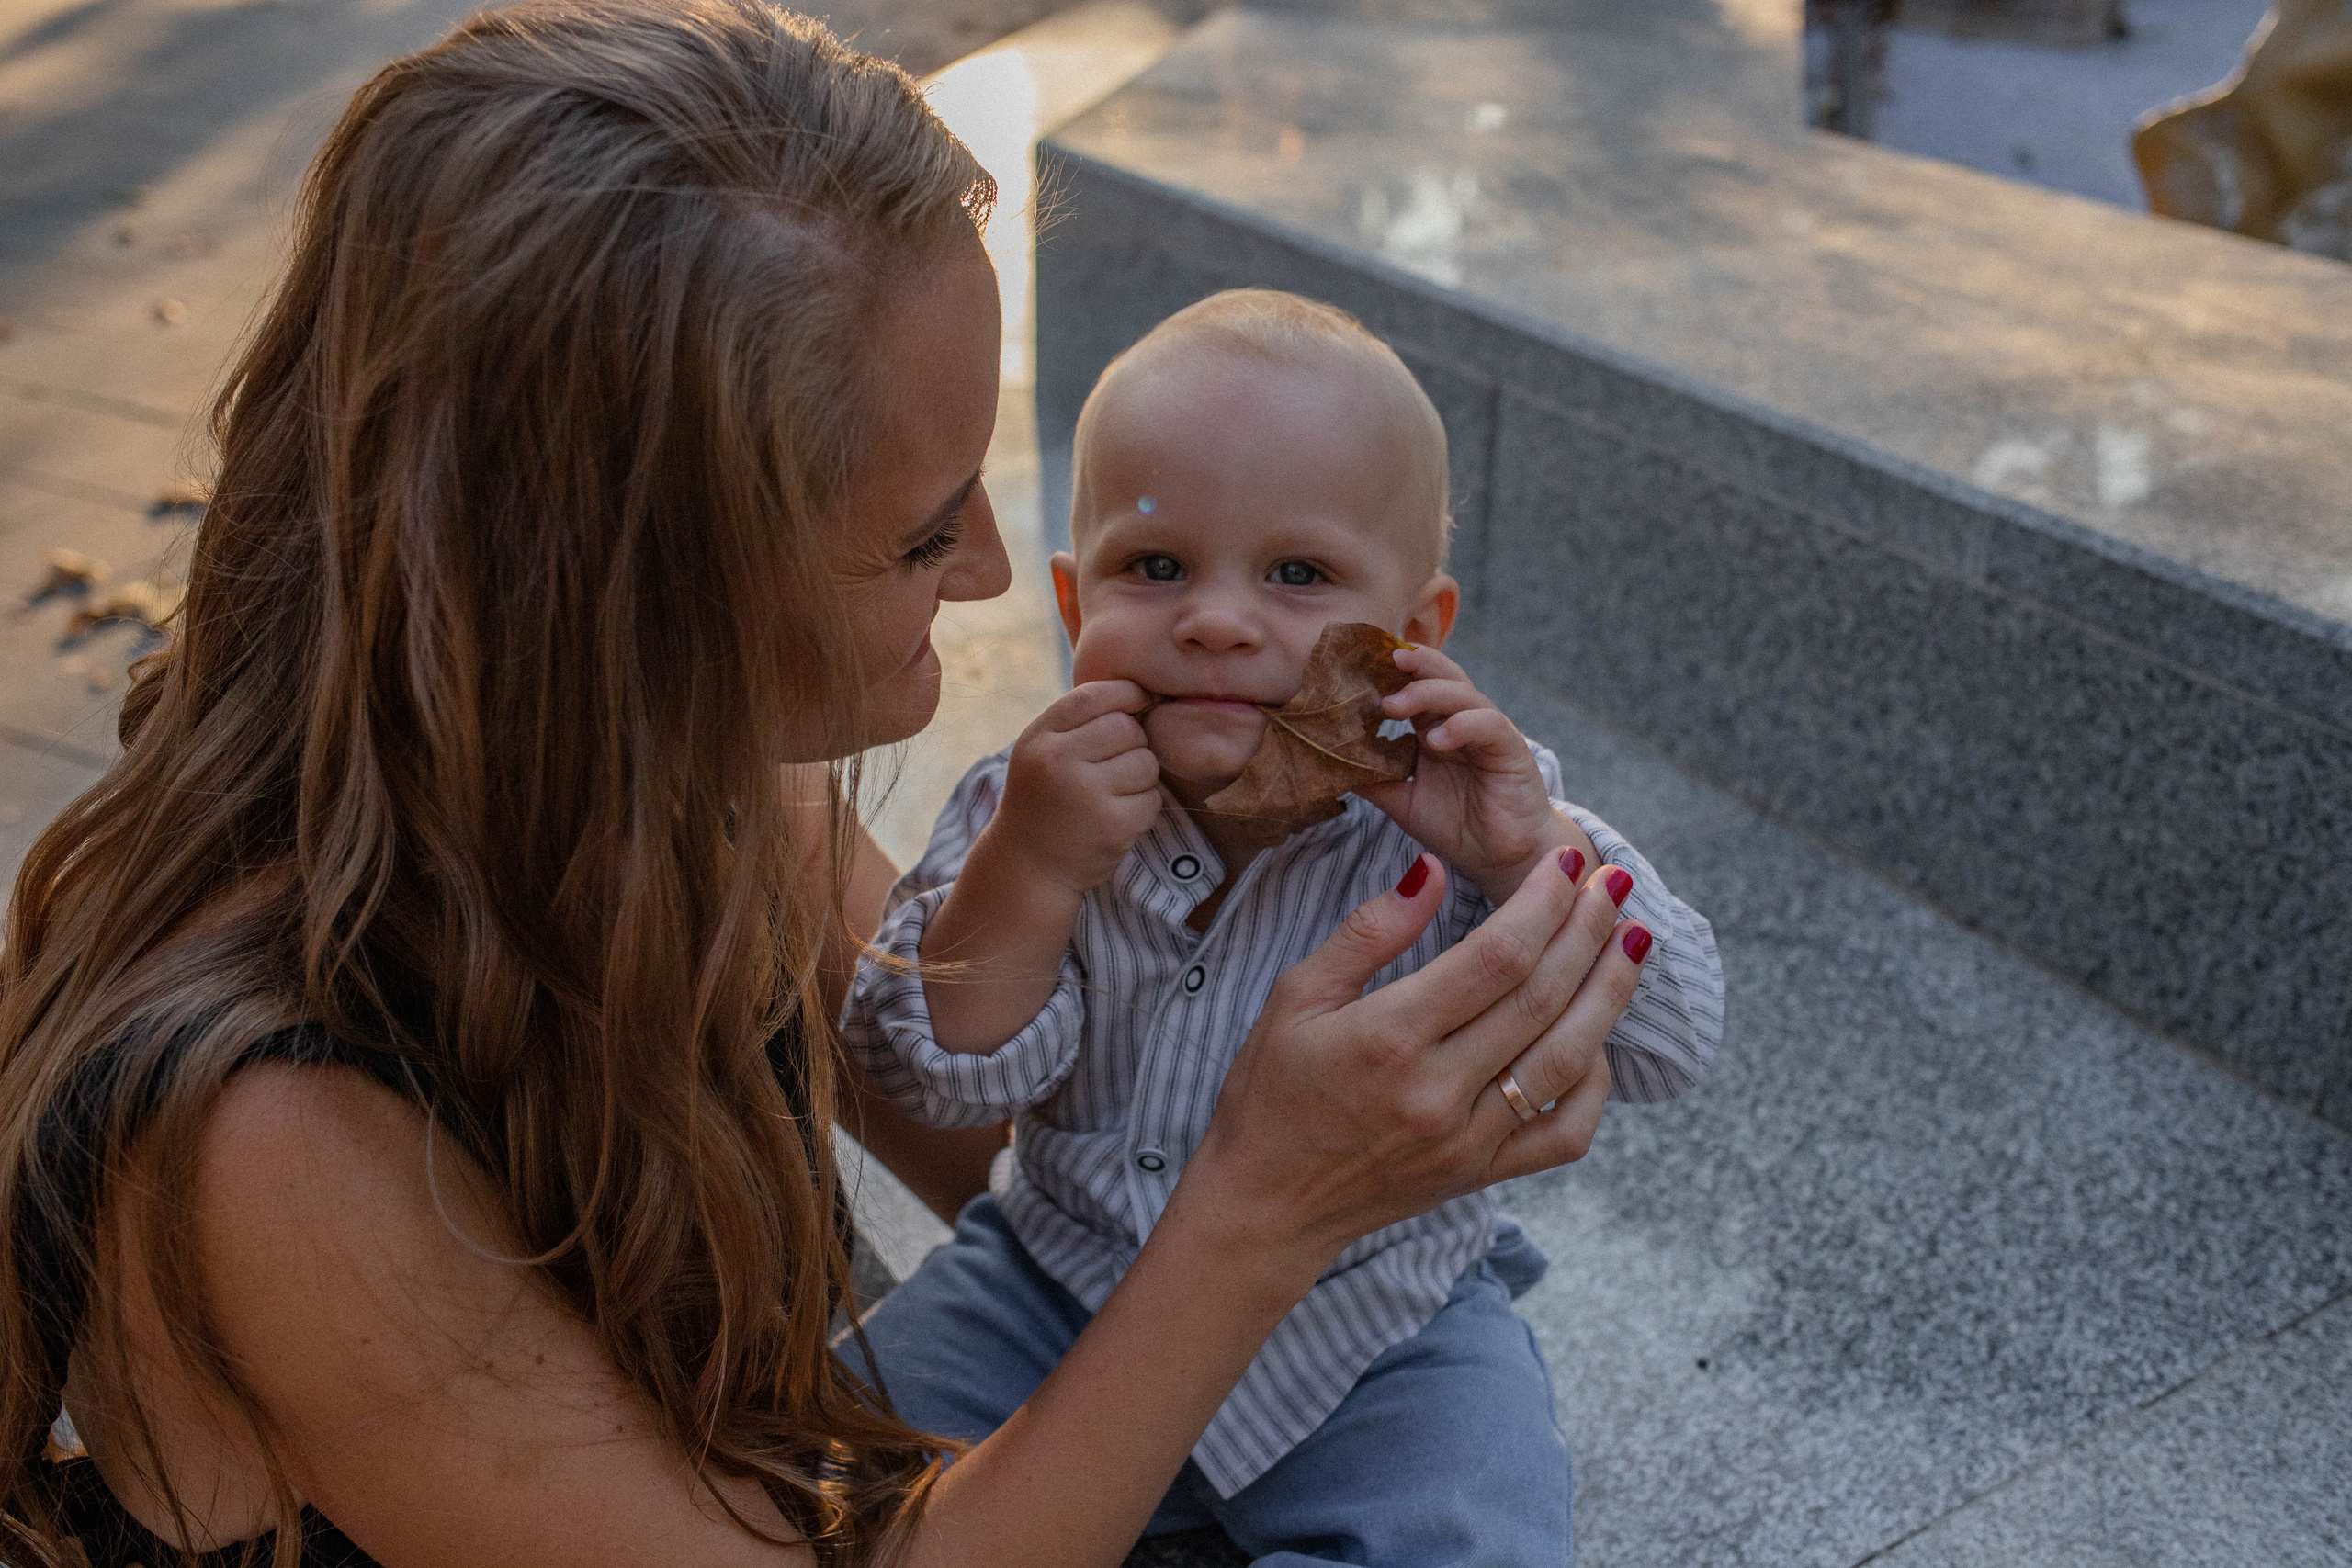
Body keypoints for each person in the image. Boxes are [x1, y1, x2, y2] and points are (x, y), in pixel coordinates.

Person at [0, 6, 1649, 1565]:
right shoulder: (274, 1136)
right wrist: (1266, 1207)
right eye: (928, 529)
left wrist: (1283, 960)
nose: (1013, 576)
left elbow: (1017, 1132)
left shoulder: (696, 797)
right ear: (638, 593)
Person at [842, 289, 1724, 1564]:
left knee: (1473, 1531)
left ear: (1414, 635)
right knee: (815, 1468)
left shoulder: (1481, 814)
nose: (1214, 618)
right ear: (1072, 605)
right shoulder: (1027, 804)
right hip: (1052, 1285)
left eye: (1298, 575)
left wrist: (1532, 857)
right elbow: (924, 1071)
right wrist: (1028, 874)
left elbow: (1674, 1043)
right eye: (1154, 568)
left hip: (1380, 1333)